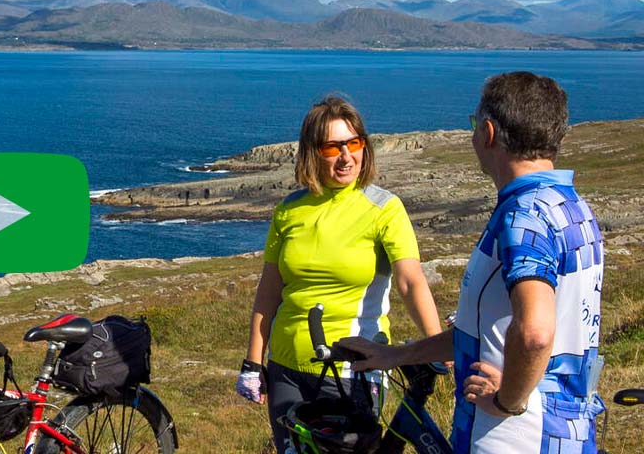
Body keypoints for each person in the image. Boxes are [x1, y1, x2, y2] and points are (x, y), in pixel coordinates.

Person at [341, 72, 605, 453]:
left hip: (515, 436)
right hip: (566, 430)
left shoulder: (524, 217)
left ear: (488, 132)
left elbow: (535, 333)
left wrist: (506, 401)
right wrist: (396, 355)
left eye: (473, 125)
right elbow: (490, 333)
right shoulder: (574, 209)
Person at [238, 96, 442, 453]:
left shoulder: (384, 208)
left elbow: (411, 282)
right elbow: (269, 292)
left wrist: (439, 345)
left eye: (354, 143)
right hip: (286, 368)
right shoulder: (289, 210)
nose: (346, 156)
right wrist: (253, 363)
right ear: (312, 153)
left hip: (351, 369)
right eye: (333, 146)